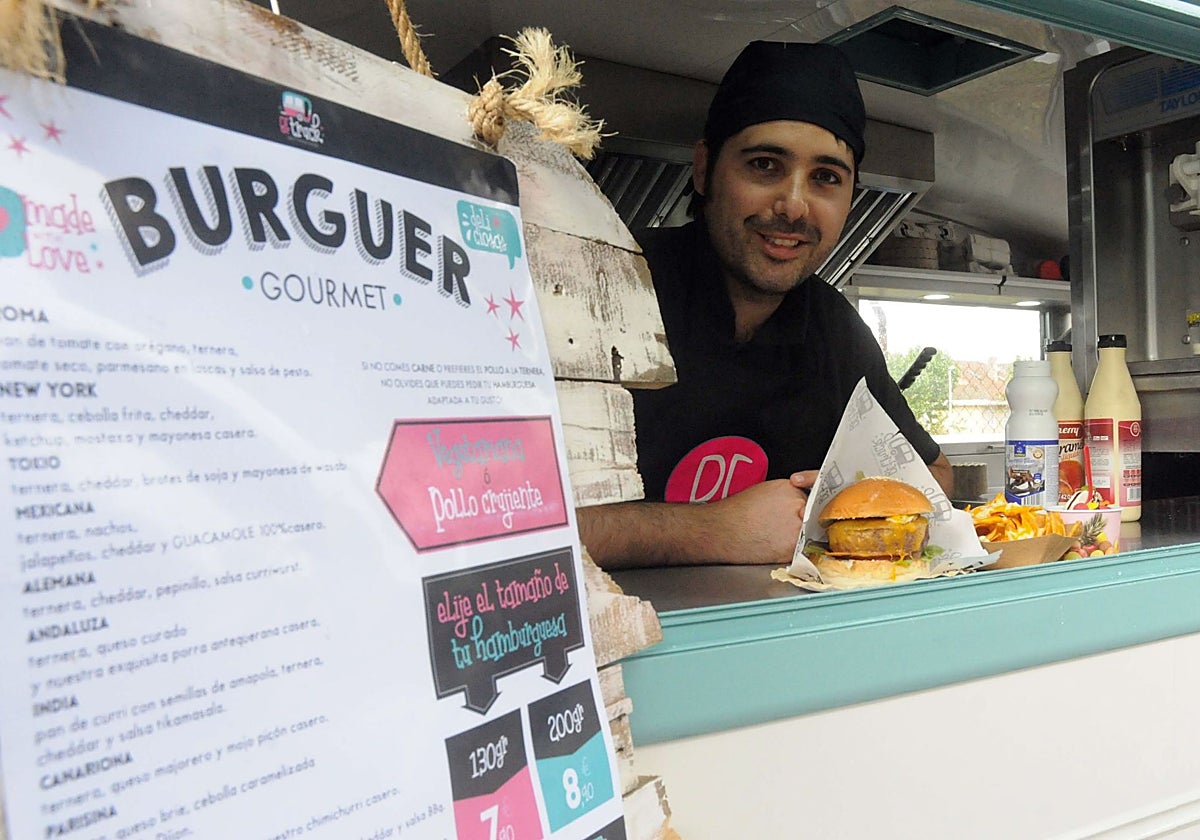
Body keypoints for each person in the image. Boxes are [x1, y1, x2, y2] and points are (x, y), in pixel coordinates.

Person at [577, 41, 953, 569]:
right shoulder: (601, 284)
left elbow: (935, 477)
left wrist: (837, 500)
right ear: (705, 169)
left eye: (826, 177)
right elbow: (489, 523)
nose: (793, 205)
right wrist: (708, 532)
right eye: (764, 164)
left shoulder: (834, 328)